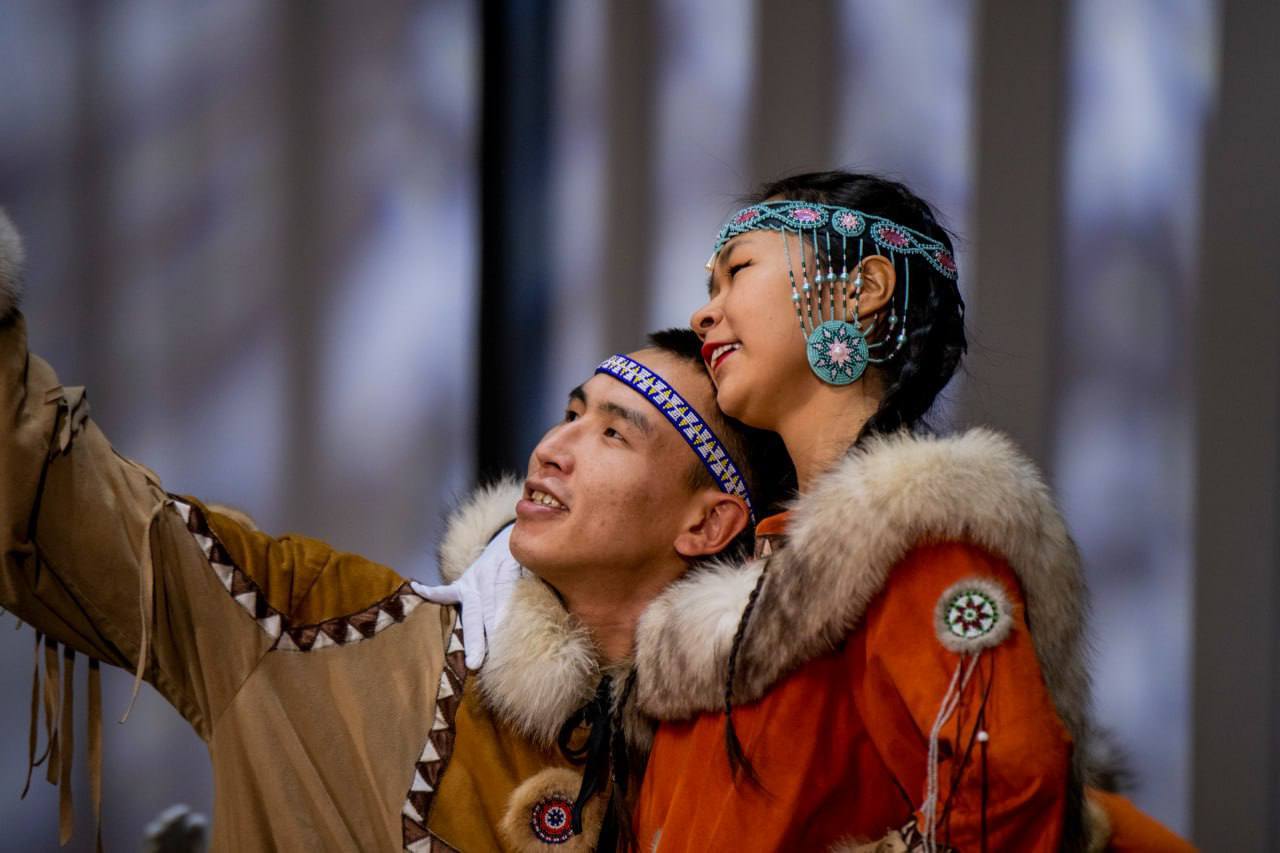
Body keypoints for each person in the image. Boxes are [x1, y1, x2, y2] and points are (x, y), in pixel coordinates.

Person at [0, 209, 776, 851]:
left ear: (708, 522)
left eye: (611, 433)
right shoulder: (325, 626)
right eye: (571, 412)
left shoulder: (753, 769)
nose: (551, 447)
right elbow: (62, 503)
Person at [628, 172, 1193, 851]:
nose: (703, 314)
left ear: (863, 289)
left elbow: (1005, 792)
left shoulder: (921, 537)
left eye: (737, 271)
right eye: (708, 288)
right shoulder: (764, 560)